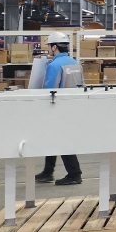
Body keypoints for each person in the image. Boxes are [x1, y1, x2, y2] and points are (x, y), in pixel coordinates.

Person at [35, 32, 84, 185]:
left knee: (62, 140)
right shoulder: (76, 63)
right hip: (73, 107)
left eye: (49, 46)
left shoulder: (54, 65)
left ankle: (74, 174)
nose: (48, 49)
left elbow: (50, 90)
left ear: (54, 47)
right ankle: (48, 172)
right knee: (53, 138)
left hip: (58, 108)